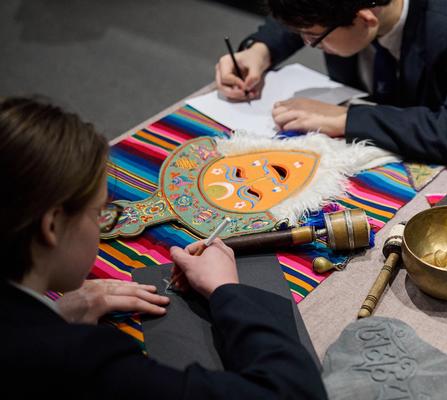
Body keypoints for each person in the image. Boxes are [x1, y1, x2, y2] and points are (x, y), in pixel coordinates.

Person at [0, 97, 328, 399]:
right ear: (53, 226)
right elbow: (293, 391)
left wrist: (54, 315)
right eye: (100, 212)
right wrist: (228, 291)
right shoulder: (78, 360)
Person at [215, 0, 447, 167]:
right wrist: (260, 51)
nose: (308, 43)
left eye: (313, 38)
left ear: (365, 18)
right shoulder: (338, 12)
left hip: (436, 157)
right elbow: (309, 13)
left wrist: (346, 117)